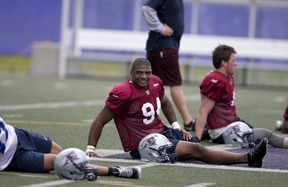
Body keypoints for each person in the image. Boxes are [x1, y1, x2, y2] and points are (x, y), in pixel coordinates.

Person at [86, 57, 268, 168]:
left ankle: (247, 155)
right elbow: (100, 120)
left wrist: (175, 125)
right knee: (196, 149)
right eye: (139, 73)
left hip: (162, 132)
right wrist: (90, 149)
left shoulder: (155, 82)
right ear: (131, 73)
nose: (144, 77)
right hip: (144, 144)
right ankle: (248, 158)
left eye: (147, 73)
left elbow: (165, 101)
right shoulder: (123, 92)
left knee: (194, 143)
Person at [141, 0, 203, 135]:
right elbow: (147, 8)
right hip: (163, 46)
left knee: (151, 84)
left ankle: (143, 117)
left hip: (165, 46)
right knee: (174, 84)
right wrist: (161, 28)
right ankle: (189, 122)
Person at [194, 44, 288, 148]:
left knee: (253, 129)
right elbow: (203, 111)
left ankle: (206, 134)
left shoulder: (227, 76)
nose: (236, 64)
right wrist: (197, 140)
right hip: (224, 131)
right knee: (266, 135)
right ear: (224, 63)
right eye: (233, 61)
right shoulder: (216, 81)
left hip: (230, 123)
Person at [0, 116, 140, 179]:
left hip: (16, 134)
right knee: (64, 161)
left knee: (64, 152)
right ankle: (116, 171)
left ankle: (87, 163)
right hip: (11, 157)